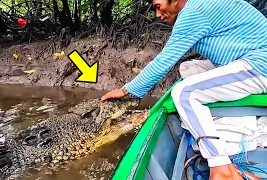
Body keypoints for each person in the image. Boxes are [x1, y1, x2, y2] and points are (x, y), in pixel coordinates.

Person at [101, 0, 267, 179]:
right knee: (188, 69)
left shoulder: (193, 13)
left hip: (260, 64)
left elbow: (163, 61)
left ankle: (221, 166)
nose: (157, 14)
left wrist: (126, 90)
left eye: (158, 6)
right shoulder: (200, 5)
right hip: (246, 57)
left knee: (183, 93)